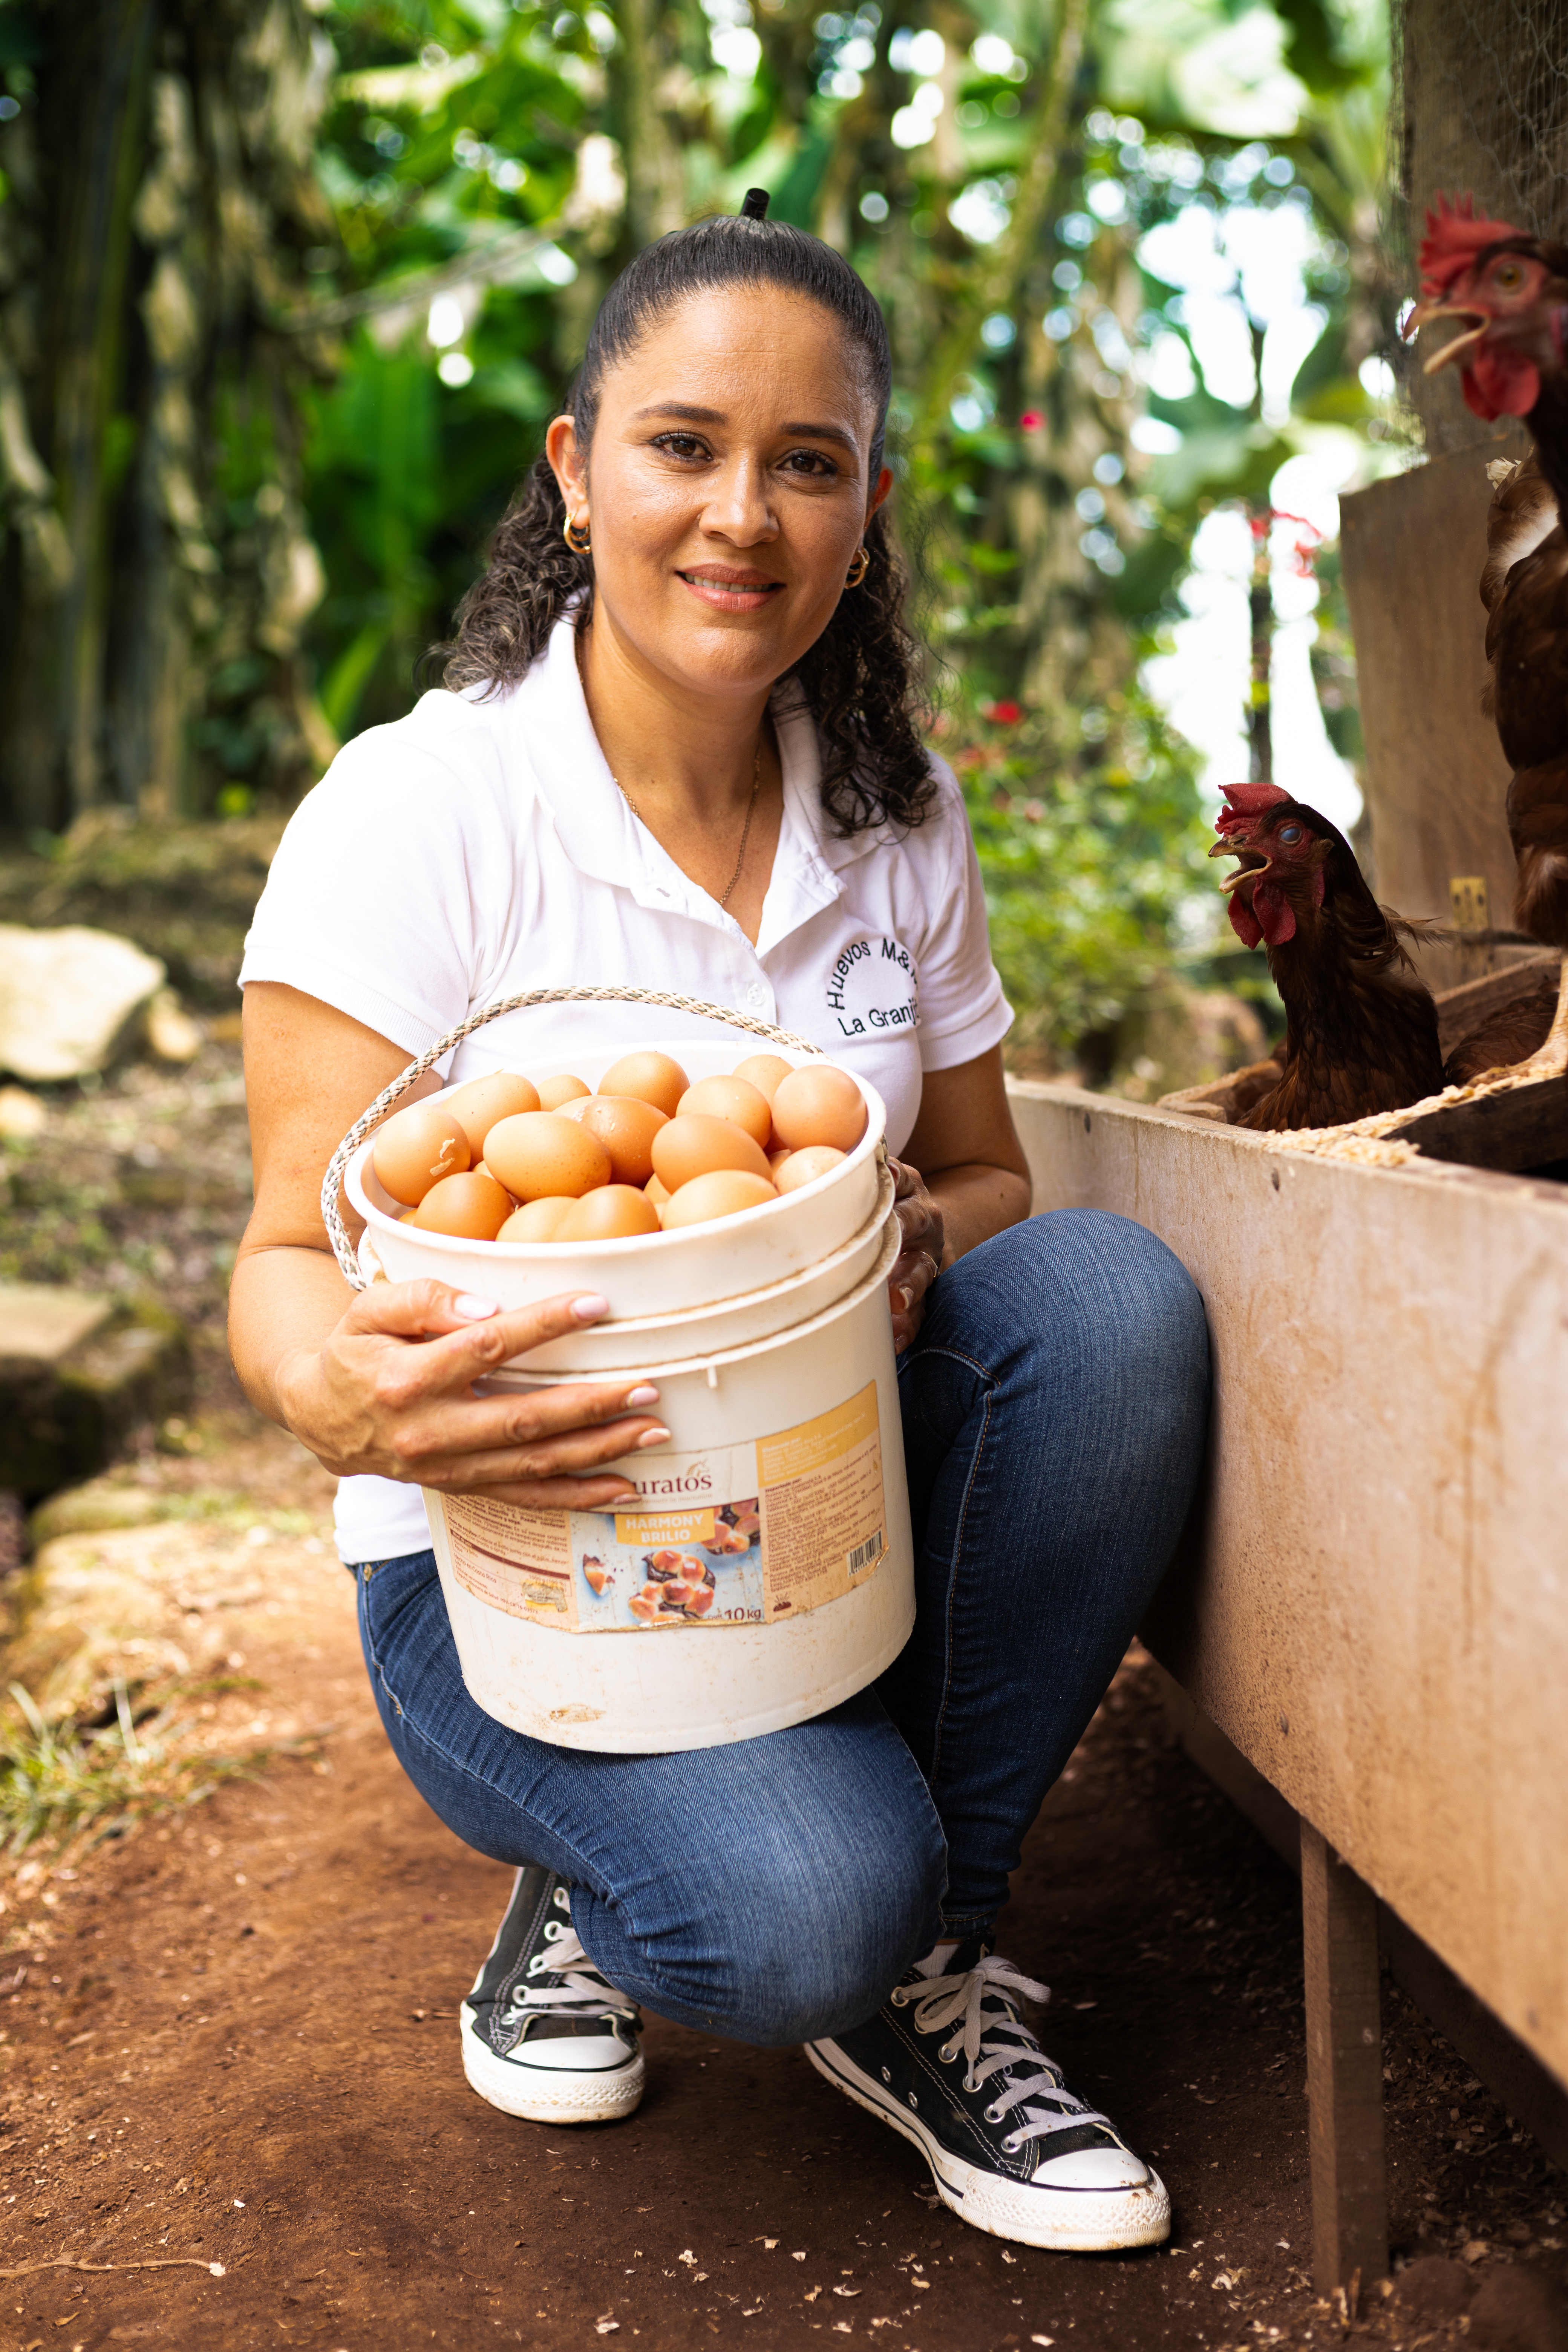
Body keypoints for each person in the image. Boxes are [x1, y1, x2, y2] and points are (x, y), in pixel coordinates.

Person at [230, 196, 1208, 2256]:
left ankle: (932, 1968)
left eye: (809, 462)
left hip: (815, 1521)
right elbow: (288, 1262)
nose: (741, 515)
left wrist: (923, 1234)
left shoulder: (892, 817)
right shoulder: (422, 813)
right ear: (578, 476)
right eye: (683, 445)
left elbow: (995, 1176)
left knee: (1109, 1300)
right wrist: (366, 1408)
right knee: (787, 1919)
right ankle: (620, 1883)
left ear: (865, 512)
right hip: (523, 1566)